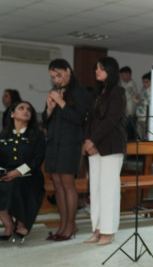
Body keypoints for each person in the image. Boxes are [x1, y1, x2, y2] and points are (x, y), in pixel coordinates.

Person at [42, 59, 89, 241]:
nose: (56, 80)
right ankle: (63, 225)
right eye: (53, 77)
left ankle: (71, 225)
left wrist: (61, 102)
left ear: (68, 70)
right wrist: (49, 109)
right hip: (53, 142)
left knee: (68, 184)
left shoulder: (79, 92)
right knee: (57, 184)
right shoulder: (56, 92)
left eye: (58, 75)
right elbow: (46, 122)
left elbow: (78, 119)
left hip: (70, 144)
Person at [83, 57, 127, 246]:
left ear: (111, 71)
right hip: (94, 146)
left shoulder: (118, 92)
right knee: (95, 189)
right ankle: (97, 228)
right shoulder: (97, 92)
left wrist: (93, 140)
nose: (97, 71)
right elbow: (89, 119)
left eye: (101, 68)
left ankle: (108, 231)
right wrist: (87, 141)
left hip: (111, 145)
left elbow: (112, 119)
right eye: (96, 68)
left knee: (109, 189)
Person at [0, 101, 45, 242]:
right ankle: (8, 224)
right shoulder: (3, 135)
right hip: (6, 174)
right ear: (12, 114)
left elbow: (38, 159)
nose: (26, 111)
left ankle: (22, 223)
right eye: (21, 108)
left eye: (29, 109)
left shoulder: (36, 134)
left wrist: (18, 172)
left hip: (30, 174)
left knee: (16, 185)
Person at [119, 66, 138, 141]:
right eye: (121, 76)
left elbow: (126, 95)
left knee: (129, 134)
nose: (122, 77)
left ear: (129, 74)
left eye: (123, 75)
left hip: (130, 113)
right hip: (124, 112)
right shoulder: (123, 84)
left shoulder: (132, 85)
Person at [135, 71, 151, 140]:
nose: (144, 84)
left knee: (144, 135)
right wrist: (137, 99)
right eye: (143, 82)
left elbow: (150, 102)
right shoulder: (143, 90)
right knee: (139, 135)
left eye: (146, 82)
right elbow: (140, 100)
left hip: (146, 117)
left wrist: (142, 102)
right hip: (139, 116)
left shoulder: (152, 91)